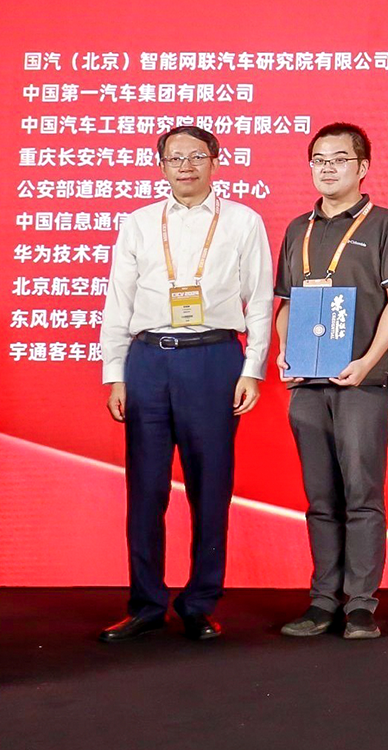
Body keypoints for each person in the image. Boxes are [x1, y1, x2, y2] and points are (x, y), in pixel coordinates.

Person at [97, 125, 273, 643]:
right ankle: (146, 604)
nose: (186, 166)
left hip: (214, 358)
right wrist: (116, 374)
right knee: (145, 490)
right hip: (149, 360)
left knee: (210, 487)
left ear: (216, 161)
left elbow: (260, 300)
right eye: (175, 158)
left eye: (197, 156)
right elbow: (118, 301)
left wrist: (253, 368)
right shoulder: (139, 223)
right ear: (162, 167)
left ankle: (199, 602)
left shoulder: (243, 220)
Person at [274, 123, 388, 640]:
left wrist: (369, 361)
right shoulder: (298, 228)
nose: (327, 168)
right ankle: (321, 601)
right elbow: (286, 303)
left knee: (361, 494)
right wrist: (285, 353)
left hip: (361, 383)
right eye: (319, 160)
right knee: (319, 497)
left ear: (363, 167)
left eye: (339, 159)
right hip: (307, 384)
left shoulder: (385, 224)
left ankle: (360, 604)